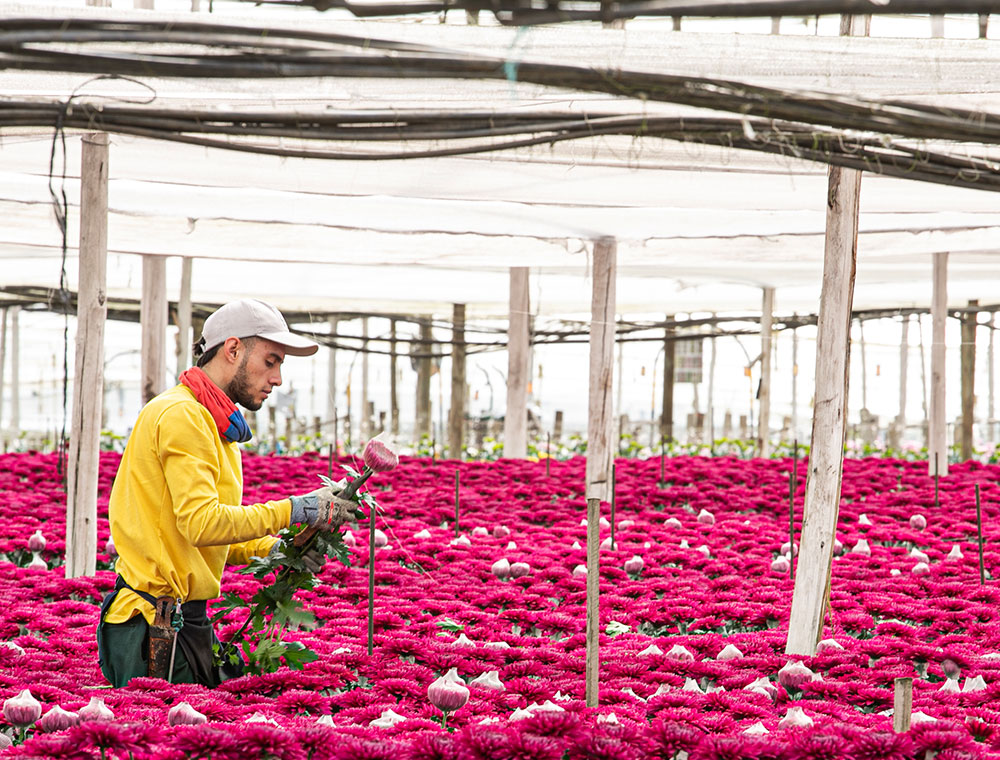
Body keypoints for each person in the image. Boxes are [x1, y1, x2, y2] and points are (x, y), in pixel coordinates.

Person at [97, 298, 351, 688]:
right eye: (271, 361)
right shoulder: (183, 415)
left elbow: (199, 541)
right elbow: (202, 525)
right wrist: (296, 509)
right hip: (153, 625)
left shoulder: (217, 427)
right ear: (233, 349)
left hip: (182, 619)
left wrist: (274, 550)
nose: (278, 378)